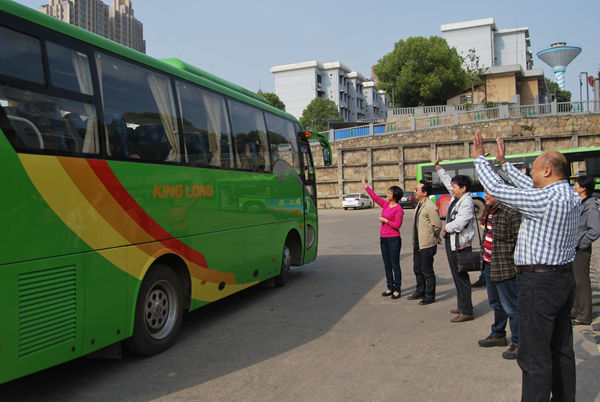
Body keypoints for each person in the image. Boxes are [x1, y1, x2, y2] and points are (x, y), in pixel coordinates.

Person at [473, 131, 580, 402]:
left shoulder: (544, 201)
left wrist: (479, 160)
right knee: (561, 350)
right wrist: (504, 165)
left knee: (534, 355)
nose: (529, 174)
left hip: (539, 284)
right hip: (562, 280)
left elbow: (499, 191)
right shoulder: (569, 195)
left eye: (533, 170)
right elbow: (527, 186)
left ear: (546, 170)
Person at [477, 192, 522, 360]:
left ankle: (518, 343)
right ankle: (498, 334)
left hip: (506, 267)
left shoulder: (511, 212)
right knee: (496, 303)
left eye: (489, 192)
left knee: (512, 307)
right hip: (489, 263)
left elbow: (519, 241)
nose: (485, 195)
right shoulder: (490, 209)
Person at [434, 153, 475, 322]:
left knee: (462, 278)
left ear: (463, 188)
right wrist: (438, 167)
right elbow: (446, 181)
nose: (452, 188)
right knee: (457, 277)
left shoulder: (467, 202)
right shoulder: (457, 198)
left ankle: (466, 311)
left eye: (455, 186)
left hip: (461, 246)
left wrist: (445, 229)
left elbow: (459, 224)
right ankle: (462, 305)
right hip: (453, 244)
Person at [362, 176, 404, 299]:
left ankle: (397, 289)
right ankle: (389, 287)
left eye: (389, 192)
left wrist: (385, 220)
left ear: (394, 196)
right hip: (383, 239)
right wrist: (365, 185)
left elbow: (398, 225)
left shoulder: (398, 209)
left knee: (395, 264)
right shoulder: (385, 204)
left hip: (394, 240)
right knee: (387, 264)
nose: (387, 194)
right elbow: (374, 197)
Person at [571, 175, 600, 325]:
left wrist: (582, 243)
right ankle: (576, 309)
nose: (574, 187)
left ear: (583, 188)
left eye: (576, 185)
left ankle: (584, 315)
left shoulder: (591, 207)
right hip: (574, 247)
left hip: (581, 250)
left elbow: (595, 230)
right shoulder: (581, 203)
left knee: (581, 282)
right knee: (575, 281)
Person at [407, 180, 442, 305]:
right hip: (418, 243)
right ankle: (420, 290)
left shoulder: (430, 206)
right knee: (417, 268)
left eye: (417, 190)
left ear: (424, 193)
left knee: (427, 271)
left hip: (427, 243)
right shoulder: (419, 204)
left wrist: (435, 236)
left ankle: (429, 295)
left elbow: (437, 225)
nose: (414, 191)